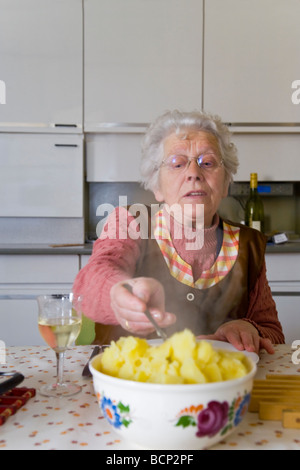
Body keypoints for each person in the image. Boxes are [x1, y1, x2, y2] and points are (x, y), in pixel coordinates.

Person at [73, 110, 284, 353]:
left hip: (216, 387)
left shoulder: (248, 243)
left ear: (225, 183)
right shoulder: (131, 221)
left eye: (208, 162)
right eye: (177, 163)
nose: (194, 173)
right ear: (157, 186)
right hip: (131, 384)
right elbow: (90, 280)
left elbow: (273, 333)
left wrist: (248, 329)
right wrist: (117, 294)